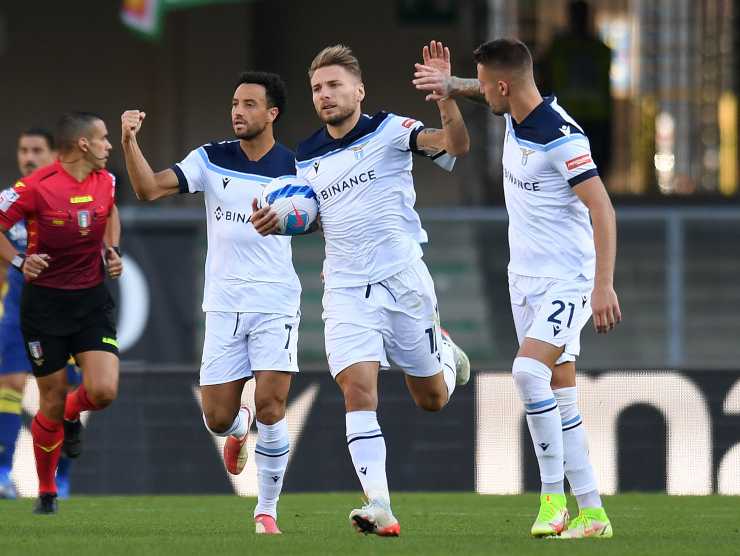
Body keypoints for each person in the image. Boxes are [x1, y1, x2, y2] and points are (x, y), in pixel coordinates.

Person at [252, 42, 471, 538]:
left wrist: (446, 95)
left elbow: (456, 146)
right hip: (347, 289)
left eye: (333, 85)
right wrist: (280, 221)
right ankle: (381, 506)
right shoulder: (305, 156)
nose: (324, 96)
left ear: (359, 90)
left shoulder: (391, 130)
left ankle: (447, 354)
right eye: (316, 89)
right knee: (357, 390)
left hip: (404, 281)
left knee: (432, 397)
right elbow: (312, 217)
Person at [413, 38, 621, 538]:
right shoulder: (514, 112)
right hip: (523, 280)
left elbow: (602, 208)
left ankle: (553, 501)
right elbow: (485, 94)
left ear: (505, 85)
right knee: (560, 393)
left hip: (567, 280)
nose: (481, 92)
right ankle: (592, 512)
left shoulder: (561, 137)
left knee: (528, 373)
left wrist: (603, 286)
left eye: (485, 84)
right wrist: (451, 86)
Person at [121, 71, 300, 535]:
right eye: (235, 103)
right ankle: (237, 429)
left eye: (249, 104)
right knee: (217, 417)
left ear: (272, 113)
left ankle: (266, 511)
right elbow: (148, 189)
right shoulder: (211, 158)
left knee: (273, 405)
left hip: (275, 300)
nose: (238, 111)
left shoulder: (298, 168)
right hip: (223, 304)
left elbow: (321, 220)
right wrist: (129, 141)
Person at [0, 112, 123, 514]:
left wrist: (112, 249)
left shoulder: (106, 181)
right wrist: (19, 261)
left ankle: (74, 414)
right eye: (104, 139)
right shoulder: (35, 187)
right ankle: (48, 490)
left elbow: (110, 212)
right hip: (44, 306)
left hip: (90, 300)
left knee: (102, 392)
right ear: (83, 144)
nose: (110, 145)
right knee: (49, 398)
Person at [540, 1, 613, 175]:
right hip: (580, 116)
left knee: (583, 166)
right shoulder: (597, 49)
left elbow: (544, 77)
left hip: (583, 117)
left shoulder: (560, 48)